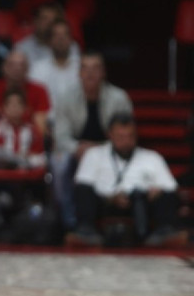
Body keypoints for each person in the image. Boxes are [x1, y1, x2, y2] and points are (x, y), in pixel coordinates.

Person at [67, 114, 186, 247]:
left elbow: (171, 187)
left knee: (168, 195)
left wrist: (156, 192)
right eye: (120, 137)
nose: (126, 141)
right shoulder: (94, 154)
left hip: (141, 204)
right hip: (105, 203)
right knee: (83, 190)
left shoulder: (152, 157)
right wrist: (110, 198)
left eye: (130, 136)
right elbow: (82, 183)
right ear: (110, 135)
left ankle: (164, 232)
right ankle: (86, 231)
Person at [51, 52, 133, 228]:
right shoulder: (66, 98)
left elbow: (126, 135)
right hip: (76, 152)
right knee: (59, 162)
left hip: (109, 151)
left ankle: (114, 219)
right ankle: (69, 221)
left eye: (95, 68)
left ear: (103, 73)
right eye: (85, 68)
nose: (90, 73)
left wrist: (97, 150)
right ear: (79, 73)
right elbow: (61, 137)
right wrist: (77, 148)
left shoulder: (119, 98)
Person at [0, 50, 51, 136]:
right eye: (12, 65)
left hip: (29, 139)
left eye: (21, 65)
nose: (17, 69)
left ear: (27, 69)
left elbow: (40, 126)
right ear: (4, 67)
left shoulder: (39, 91)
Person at [29, 18, 80, 108]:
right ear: (49, 41)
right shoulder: (37, 69)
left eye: (65, 35)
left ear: (71, 40)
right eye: (56, 35)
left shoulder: (81, 67)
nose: (61, 39)